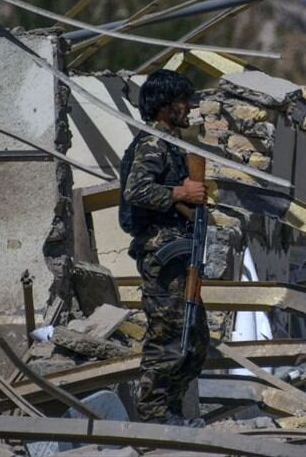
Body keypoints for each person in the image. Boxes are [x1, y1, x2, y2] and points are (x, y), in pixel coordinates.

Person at [118, 69, 208, 427]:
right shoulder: (153, 143)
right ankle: (155, 417)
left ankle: (171, 412)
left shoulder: (171, 145)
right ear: (165, 105)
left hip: (178, 252)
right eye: (183, 101)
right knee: (166, 338)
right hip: (160, 254)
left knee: (194, 340)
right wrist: (181, 192)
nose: (189, 107)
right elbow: (136, 190)